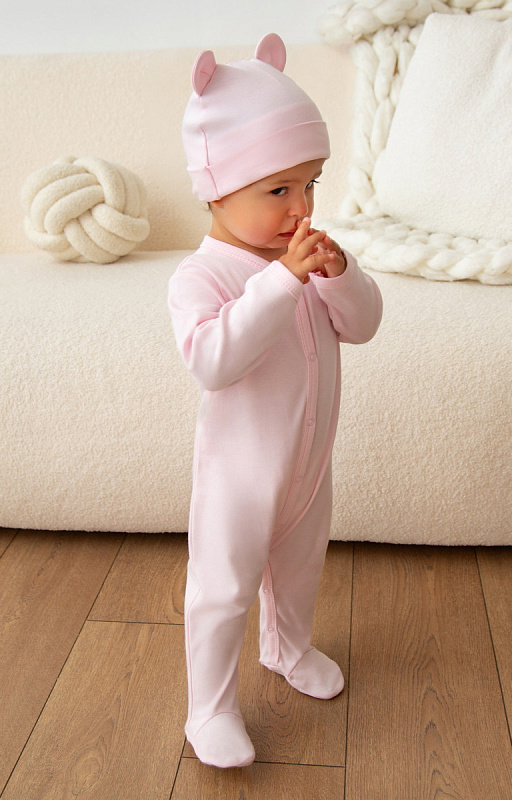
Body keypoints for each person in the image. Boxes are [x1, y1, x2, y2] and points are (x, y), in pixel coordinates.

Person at [168, 33, 383, 769]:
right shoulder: (203, 278)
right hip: (240, 477)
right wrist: (283, 282)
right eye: (278, 191)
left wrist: (341, 275)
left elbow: (362, 326)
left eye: (310, 184)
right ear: (217, 188)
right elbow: (214, 360)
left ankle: (287, 648)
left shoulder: (308, 261)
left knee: (299, 567)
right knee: (223, 589)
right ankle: (210, 708)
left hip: (309, 466)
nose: (303, 207)